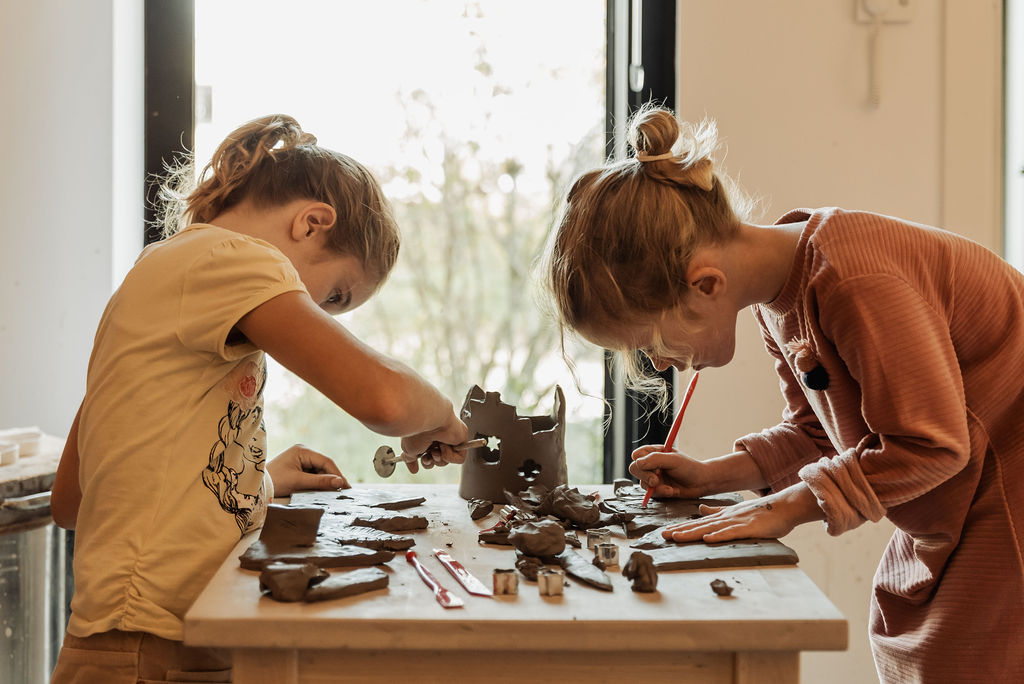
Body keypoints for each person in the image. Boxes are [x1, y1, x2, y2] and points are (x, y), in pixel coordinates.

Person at [542, 103, 1024, 683]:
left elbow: (932, 445)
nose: (657, 362)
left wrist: (787, 508)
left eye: (650, 341)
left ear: (705, 283)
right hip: (958, 508)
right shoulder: (781, 297)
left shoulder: (852, 279)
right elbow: (819, 434)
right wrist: (716, 475)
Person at [49, 114, 469, 683]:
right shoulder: (232, 258)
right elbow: (385, 401)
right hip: (152, 641)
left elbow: (74, 498)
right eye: (335, 295)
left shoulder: (157, 279)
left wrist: (255, 482)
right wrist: (441, 415)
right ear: (312, 223)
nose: (314, 314)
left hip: (136, 634)